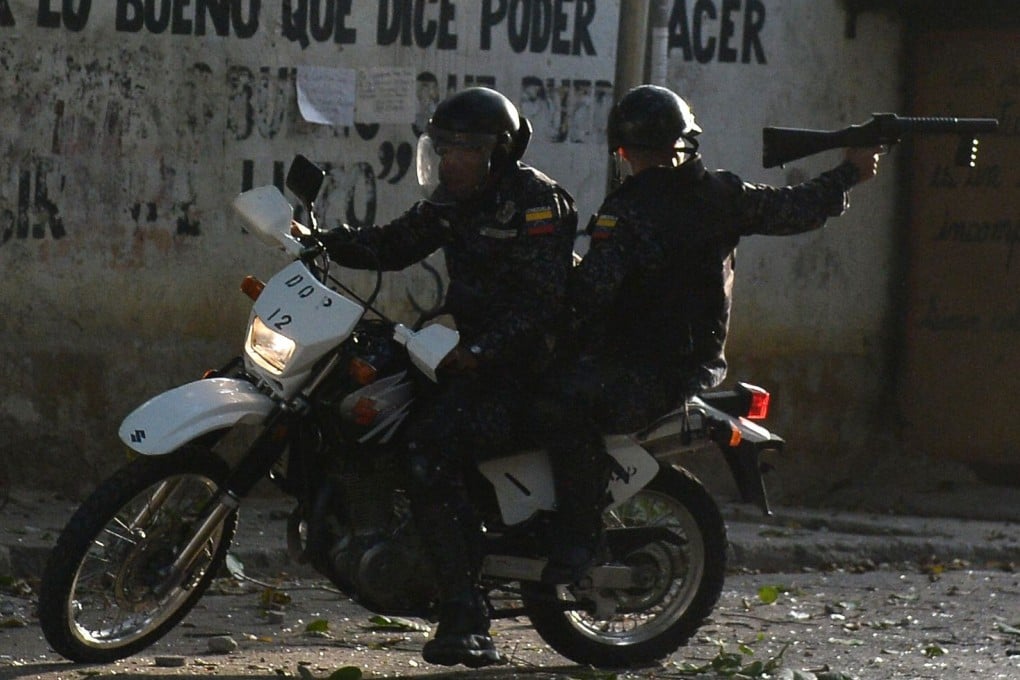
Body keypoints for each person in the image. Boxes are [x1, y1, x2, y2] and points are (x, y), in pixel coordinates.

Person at [537, 84, 883, 584]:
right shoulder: (718, 197)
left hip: (654, 371)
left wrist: (549, 282)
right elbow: (798, 206)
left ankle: (579, 535)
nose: (637, 162)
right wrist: (849, 171)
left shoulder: (633, 210)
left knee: (559, 406)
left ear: (626, 151)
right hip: (669, 363)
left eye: (637, 153)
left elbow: (590, 293)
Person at [318, 87, 578, 667]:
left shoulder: (539, 204)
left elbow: (540, 307)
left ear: (499, 152)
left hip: (522, 370)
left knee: (429, 452)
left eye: (466, 149)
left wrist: (480, 351)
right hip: (461, 354)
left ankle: (465, 613)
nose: (451, 160)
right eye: (444, 147)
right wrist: (322, 243)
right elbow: (394, 244)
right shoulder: (453, 201)